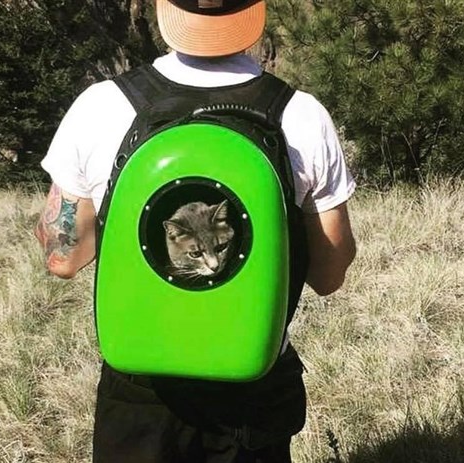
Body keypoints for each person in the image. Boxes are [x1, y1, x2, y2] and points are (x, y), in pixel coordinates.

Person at [35, 0, 357, 461]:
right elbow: (329, 277)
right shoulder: (302, 116)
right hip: (254, 375)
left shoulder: (101, 106)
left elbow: (62, 257)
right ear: (252, 13)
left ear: (166, 10)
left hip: (142, 383)